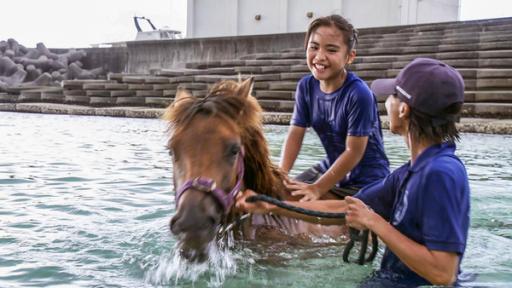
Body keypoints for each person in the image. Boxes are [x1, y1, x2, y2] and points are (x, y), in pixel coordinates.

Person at [236, 58, 471, 287]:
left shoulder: (441, 173)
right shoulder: (412, 171)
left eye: (392, 96)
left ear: (403, 110)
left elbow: (444, 273)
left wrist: (375, 223)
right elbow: (345, 208)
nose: (386, 102)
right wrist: (274, 206)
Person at [281, 14, 389, 201]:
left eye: (331, 50)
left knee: (293, 208)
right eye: (313, 47)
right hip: (329, 167)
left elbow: (353, 151)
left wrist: (317, 189)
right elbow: (295, 134)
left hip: (366, 181)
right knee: (277, 193)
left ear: (350, 57)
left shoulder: (359, 94)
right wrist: (281, 173)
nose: (319, 56)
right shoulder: (306, 86)